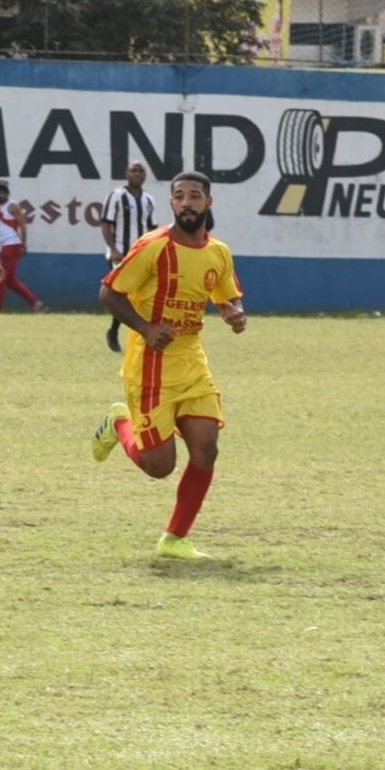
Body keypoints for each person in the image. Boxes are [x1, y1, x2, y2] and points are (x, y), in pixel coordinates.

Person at [91, 172, 246, 559]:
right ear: (172, 204)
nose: (187, 202)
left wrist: (234, 314)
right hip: (150, 367)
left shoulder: (219, 253)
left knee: (206, 450)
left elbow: (226, 295)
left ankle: (174, 538)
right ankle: (118, 424)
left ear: (209, 202)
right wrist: (144, 327)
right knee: (158, 466)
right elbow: (109, 291)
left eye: (195, 196)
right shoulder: (152, 247)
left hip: (192, 362)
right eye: (179, 197)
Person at [101, 162, 161, 352]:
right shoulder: (117, 196)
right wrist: (113, 249)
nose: (137, 174)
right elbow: (105, 224)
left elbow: (153, 229)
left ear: (145, 175)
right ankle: (115, 332)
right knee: (120, 293)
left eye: (141, 171)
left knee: (139, 296)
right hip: (120, 253)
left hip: (141, 254)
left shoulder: (149, 200)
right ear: (126, 173)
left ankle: (123, 331)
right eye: (133, 170)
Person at [0, 180, 42, 311]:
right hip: (4, 245)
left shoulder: (12, 206)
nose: (0, 195)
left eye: (3, 193)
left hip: (12, 244)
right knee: (10, 281)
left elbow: (23, 225)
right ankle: (34, 302)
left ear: (7, 194)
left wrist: (23, 244)